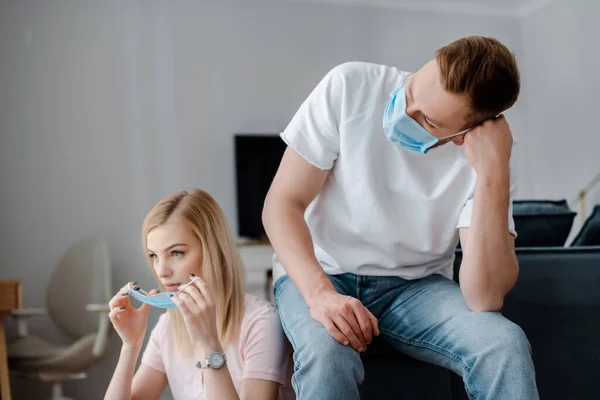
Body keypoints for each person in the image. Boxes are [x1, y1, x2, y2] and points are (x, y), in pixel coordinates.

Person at [262, 36, 539, 399]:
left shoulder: (488, 159)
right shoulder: (349, 86)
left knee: (505, 344)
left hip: (416, 286)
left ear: (462, 135)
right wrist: (320, 295)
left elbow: (484, 297)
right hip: (323, 269)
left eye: (426, 119)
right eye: (410, 92)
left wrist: (493, 174)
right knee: (327, 354)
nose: (403, 113)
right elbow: (282, 203)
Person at [105, 189, 293, 400]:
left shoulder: (262, 322)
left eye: (176, 253)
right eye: (154, 256)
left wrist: (208, 345)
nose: (161, 271)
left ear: (213, 251)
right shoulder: (168, 326)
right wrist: (131, 346)